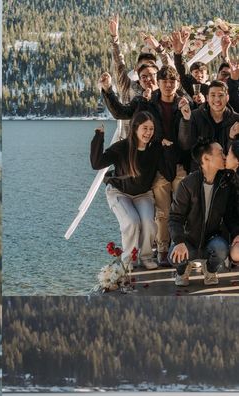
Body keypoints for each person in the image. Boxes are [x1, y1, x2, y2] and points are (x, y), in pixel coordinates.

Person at [100, 65, 191, 265]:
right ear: (158, 83)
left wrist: (187, 115)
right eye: (164, 81)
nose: (168, 85)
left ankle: (183, 247)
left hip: (179, 164)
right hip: (158, 165)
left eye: (172, 81)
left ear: (177, 84)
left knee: (185, 207)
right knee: (162, 212)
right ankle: (163, 249)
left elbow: (186, 141)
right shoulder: (148, 102)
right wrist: (108, 91)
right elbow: (122, 113)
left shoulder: (183, 103)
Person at [90, 111, 177, 269]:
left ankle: (146, 257)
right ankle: (129, 259)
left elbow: (169, 175)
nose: (148, 133)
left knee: (149, 224)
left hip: (142, 194)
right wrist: (99, 136)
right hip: (119, 193)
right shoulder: (122, 147)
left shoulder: (154, 149)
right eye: (145, 128)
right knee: (132, 222)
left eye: (151, 129)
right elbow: (97, 163)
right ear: (135, 128)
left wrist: (168, 150)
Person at [168, 139, 239, 286]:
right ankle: (182, 270)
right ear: (206, 158)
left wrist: (236, 233)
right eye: (220, 153)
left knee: (221, 249)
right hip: (188, 239)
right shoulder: (187, 184)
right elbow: (175, 217)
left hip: (211, 239)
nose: (225, 156)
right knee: (174, 255)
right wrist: (179, 241)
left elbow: (229, 215)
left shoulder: (225, 183)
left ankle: (210, 269)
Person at [179, 81, 239, 168]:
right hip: (201, 169)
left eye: (221, 95)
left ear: (227, 97)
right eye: (213, 95)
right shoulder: (195, 116)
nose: (217, 99)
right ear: (207, 98)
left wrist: (231, 138)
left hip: (226, 170)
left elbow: (235, 154)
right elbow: (185, 145)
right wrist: (186, 120)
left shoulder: (236, 119)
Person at [225, 139, 239, 263]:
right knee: (236, 253)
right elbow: (230, 215)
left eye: (229, 154)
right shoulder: (231, 180)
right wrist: (237, 234)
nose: (226, 156)